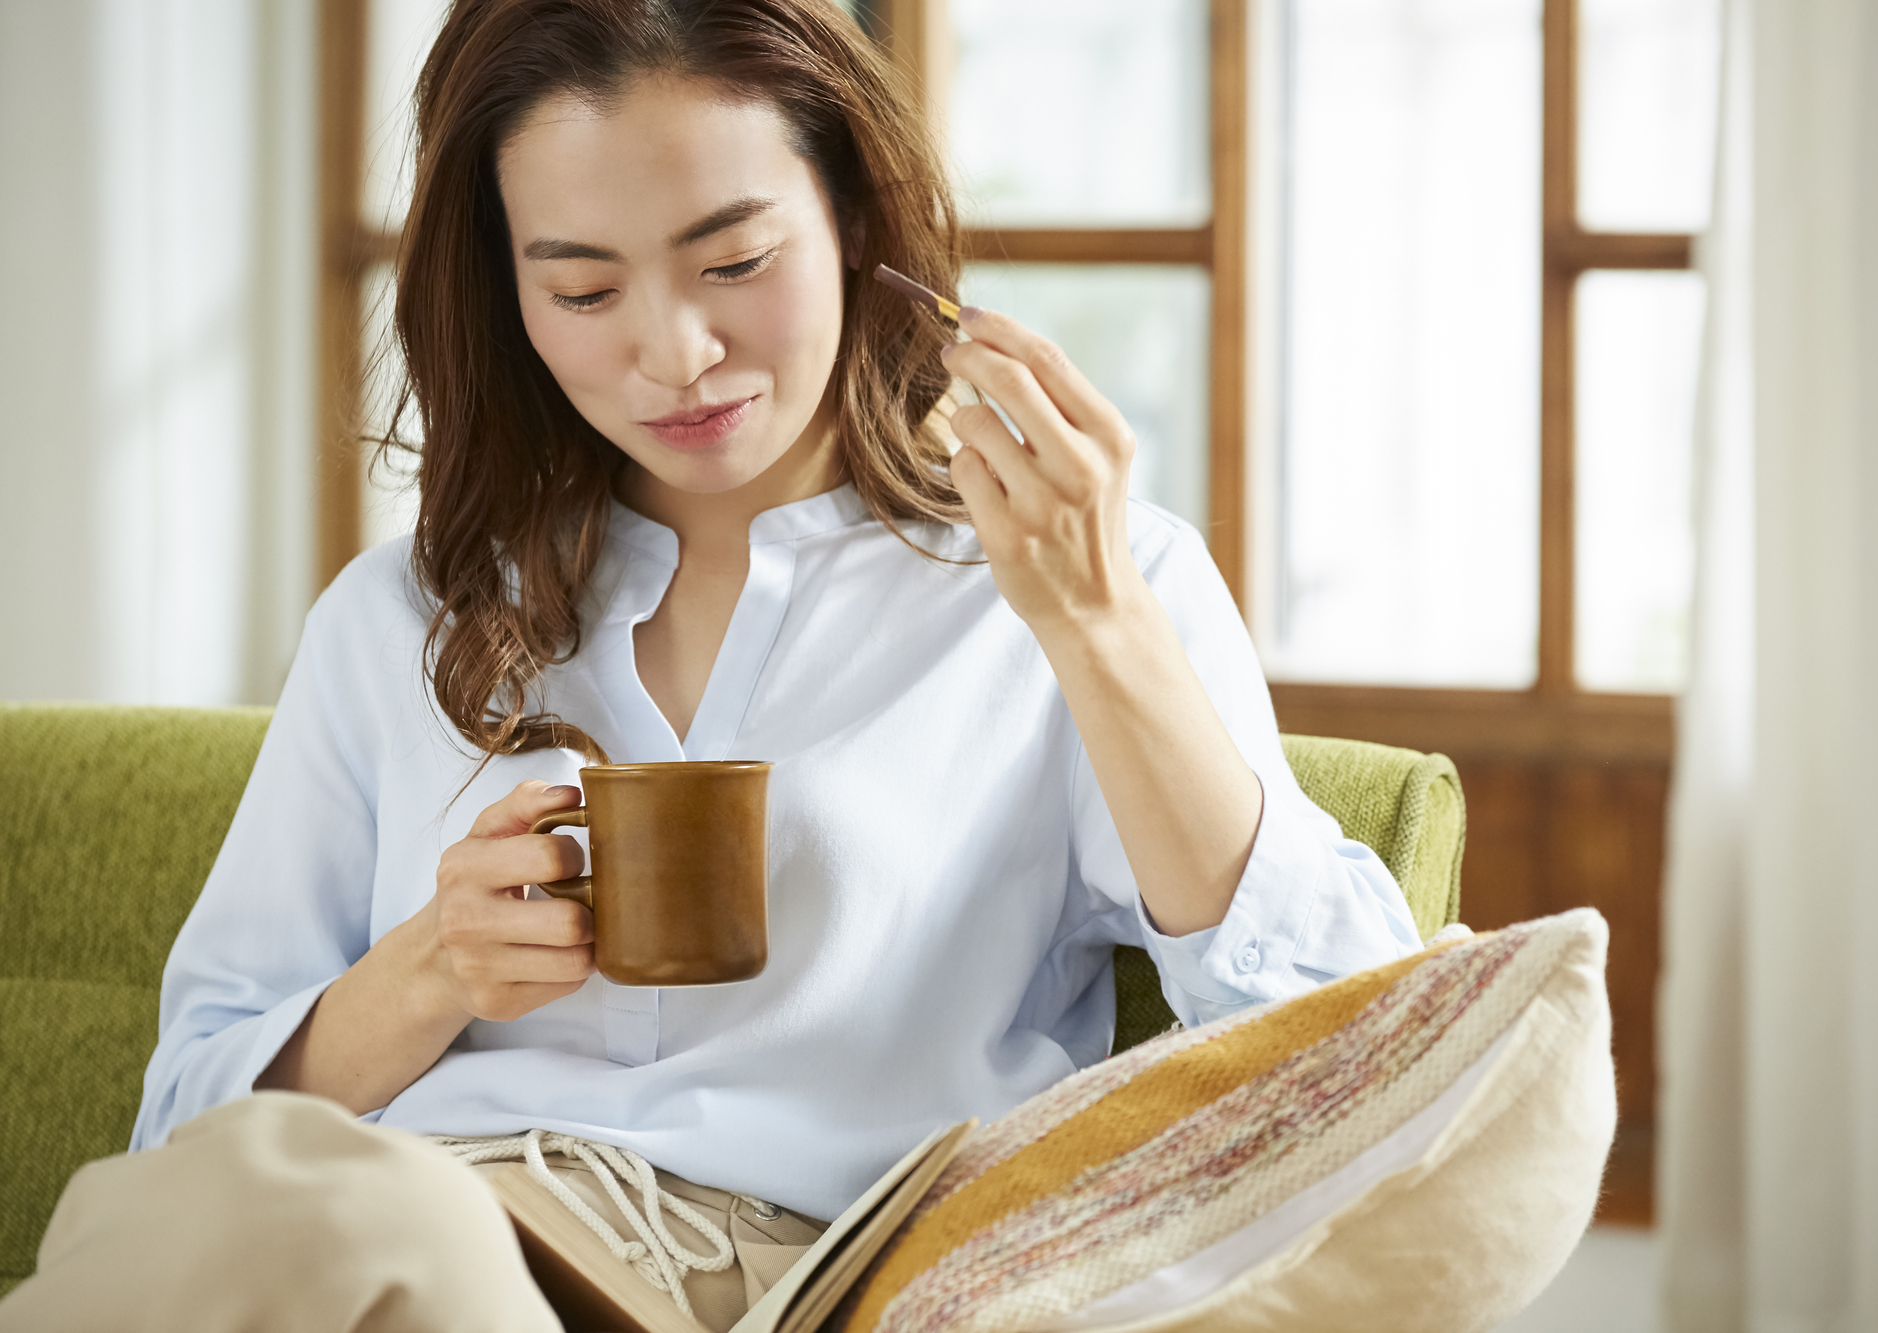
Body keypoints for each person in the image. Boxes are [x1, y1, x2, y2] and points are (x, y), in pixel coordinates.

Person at [0, 1, 1420, 1328]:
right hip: (386, 1235)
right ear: (507, 289)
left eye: (734, 263)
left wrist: (1099, 628)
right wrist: (433, 967)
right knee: (310, 1232)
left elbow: (1353, 1053)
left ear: (857, 216)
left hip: (775, 1265)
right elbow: (183, 1128)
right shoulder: (402, 616)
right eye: (582, 287)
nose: (673, 352)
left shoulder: (1076, 580)